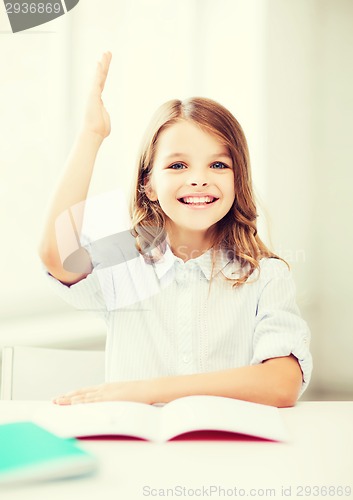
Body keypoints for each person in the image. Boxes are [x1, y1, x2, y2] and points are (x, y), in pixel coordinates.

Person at [38, 51, 312, 407]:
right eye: (179, 165)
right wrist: (91, 135)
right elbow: (56, 255)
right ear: (148, 185)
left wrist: (146, 390)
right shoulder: (125, 263)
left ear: (237, 179)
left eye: (217, 164)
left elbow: (282, 384)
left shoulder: (266, 276)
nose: (199, 179)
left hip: (233, 454)